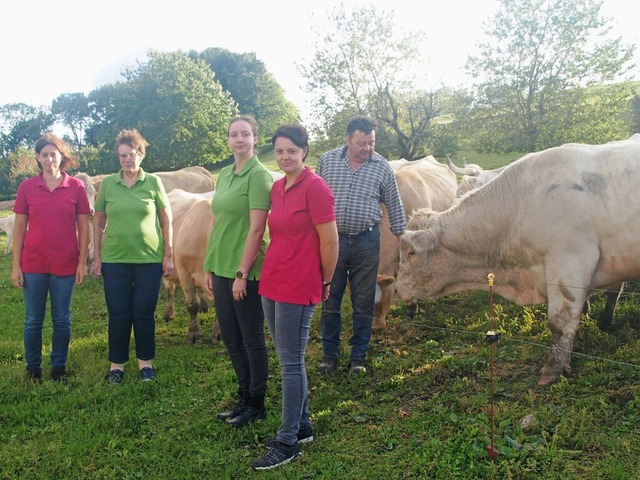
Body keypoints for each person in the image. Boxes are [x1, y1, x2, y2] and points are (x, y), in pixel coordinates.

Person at [252, 125, 338, 470]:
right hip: (272, 280)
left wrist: (326, 279)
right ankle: (302, 427)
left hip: (299, 284)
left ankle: (287, 442)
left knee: (290, 363)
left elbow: (330, 243)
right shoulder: (276, 187)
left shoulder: (316, 189)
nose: (285, 157)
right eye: (280, 151)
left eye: (292, 150)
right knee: (287, 357)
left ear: (305, 151)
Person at [316, 115, 406, 374]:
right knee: (330, 297)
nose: (368, 148)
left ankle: (358, 356)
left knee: (364, 298)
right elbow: (316, 197)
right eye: (362, 143)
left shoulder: (382, 167)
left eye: (371, 143)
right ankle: (329, 355)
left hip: (367, 240)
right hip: (333, 241)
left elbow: (394, 204)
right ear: (348, 140)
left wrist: (403, 238)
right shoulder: (328, 161)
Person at [203, 115, 273, 427]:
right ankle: (243, 396)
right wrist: (209, 264)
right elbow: (218, 221)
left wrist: (242, 272)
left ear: (255, 138)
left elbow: (258, 228)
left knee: (251, 337)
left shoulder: (259, 176)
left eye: (245, 134)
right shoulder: (226, 174)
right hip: (220, 266)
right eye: (234, 134)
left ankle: (257, 402)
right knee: (231, 337)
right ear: (228, 140)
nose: (239, 139)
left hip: (245, 270)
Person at [91, 129, 173, 384]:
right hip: (115, 260)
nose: (127, 159)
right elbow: (98, 221)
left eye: (132, 154)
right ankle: (117, 366)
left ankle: (145, 364)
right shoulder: (107, 184)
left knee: (143, 314)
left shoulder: (153, 183)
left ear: (141, 154)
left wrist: (168, 254)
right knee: (118, 314)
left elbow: (166, 219)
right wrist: (97, 256)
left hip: (149, 260)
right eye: (122, 156)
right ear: (119, 158)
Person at [11, 133, 91, 383]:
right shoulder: (27, 187)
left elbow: (84, 227)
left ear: (61, 157)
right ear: (37, 157)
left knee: (62, 318)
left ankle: (58, 367)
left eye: (53, 154)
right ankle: (33, 368)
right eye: (44, 155)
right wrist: (16, 266)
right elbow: (19, 228)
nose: (49, 159)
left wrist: (81, 262)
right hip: (33, 263)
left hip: (65, 264)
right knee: (33, 319)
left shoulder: (75, 187)